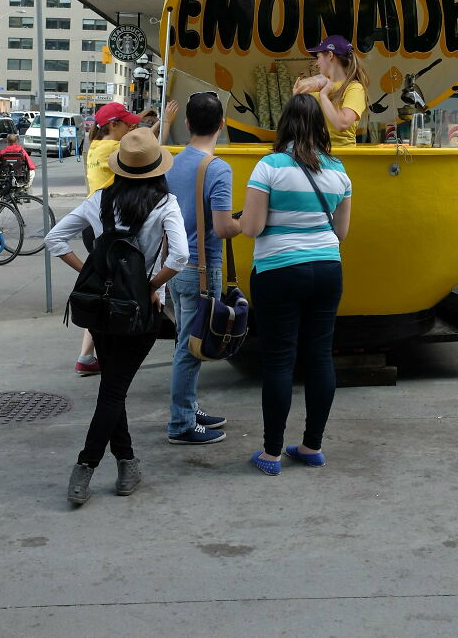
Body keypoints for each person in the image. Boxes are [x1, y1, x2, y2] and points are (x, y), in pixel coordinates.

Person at [44, 128, 189, 506]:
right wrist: (148, 285)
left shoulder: (100, 200)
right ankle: (86, 466)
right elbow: (180, 258)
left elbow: (55, 239)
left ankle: (127, 462)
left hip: (101, 311)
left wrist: (90, 275)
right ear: (156, 169)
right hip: (139, 314)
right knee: (113, 390)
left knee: (112, 388)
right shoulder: (165, 204)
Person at [239, 93, 352, 475]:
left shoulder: (269, 166)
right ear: (321, 125)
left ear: (284, 123)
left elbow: (252, 228)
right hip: (327, 268)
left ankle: (271, 454)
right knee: (319, 356)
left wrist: (237, 221)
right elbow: (342, 231)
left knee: (279, 360)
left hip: (278, 270)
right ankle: (311, 446)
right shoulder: (339, 171)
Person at [165, 91, 241, 445]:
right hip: (201, 269)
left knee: (186, 342)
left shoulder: (173, 162)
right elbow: (224, 228)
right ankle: (180, 424)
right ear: (222, 125)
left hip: (176, 266)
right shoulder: (217, 168)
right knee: (189, 348)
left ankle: (188, 406)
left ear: (187, 124)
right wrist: (249, 221)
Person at [73, 101, 143, 377]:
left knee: (106, 290)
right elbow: (147, 150)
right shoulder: (114, 148)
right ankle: (106, 353)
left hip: (94, 223)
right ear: (113, 125)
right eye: (128, 124)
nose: (132, 128)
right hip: (107, 226)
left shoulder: (95, 147)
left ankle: (86, 356)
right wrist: (165, 124)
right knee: (112, 294)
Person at [292, 35, 369, 146]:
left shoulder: (354, 88)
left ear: (330, 55)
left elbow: (342, 124)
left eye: (318, 57)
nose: (316, 63)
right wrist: (298, 97)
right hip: (313, 156)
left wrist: (324, 95)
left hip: (341, 157)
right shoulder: (317, 85)